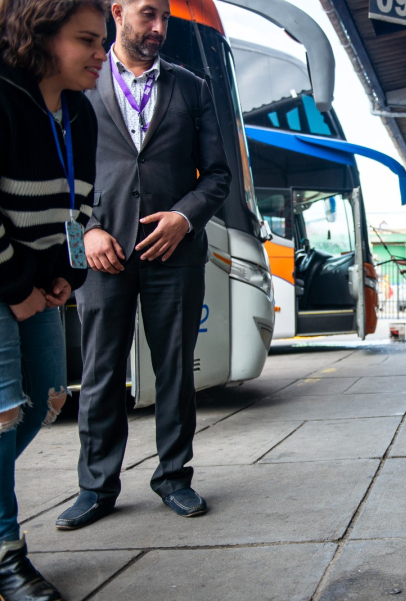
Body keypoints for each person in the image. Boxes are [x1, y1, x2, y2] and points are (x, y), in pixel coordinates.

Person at [56, 0, 231, 530]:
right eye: (148, 15)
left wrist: (184, 216)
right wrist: (86, 231)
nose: (158, 29)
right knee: (101, 371)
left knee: (175, 368)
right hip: (102, 254)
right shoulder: (79, 83)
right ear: (118, 12)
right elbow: (55, 168)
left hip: (173, 252)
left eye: (164, 20)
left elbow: (218, 174)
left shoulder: (193, 87)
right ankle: (97, 486)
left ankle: (174, 477)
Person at [0, 0, 108, 598]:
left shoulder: (80, 113)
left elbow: (79, 206)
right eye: (88, 41)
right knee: (2, 411)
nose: (101, 55)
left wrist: (67, 273)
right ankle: (8, 555)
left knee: (45, 398)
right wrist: (17, 289)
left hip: (37, 280)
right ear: (41, 37)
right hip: (6, 279)